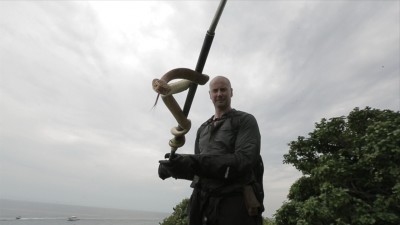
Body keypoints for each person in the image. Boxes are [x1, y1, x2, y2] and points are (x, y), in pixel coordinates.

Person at [158, 76, 264, 225]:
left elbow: (243, 161)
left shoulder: (245, 120)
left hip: (234, 205)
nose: (219, 94)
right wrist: (175, 167)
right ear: (210, 95)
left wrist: (190, 162)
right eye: (215, 90)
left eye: (223, 89)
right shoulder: (203, 129)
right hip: (203, 206)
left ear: (231, 92)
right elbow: (200, 170)